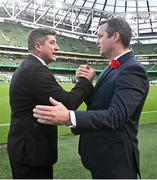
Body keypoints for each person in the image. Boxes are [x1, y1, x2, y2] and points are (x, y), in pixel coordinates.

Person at [33, 18, 149, 179]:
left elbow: (116, 116)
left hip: (116, 161)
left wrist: (69, 116)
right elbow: (101, 103)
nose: (96, 41)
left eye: (100, 36)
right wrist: (86, 82)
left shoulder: (132, 69)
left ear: (115, 37)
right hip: (103, 156)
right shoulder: (114, 66)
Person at [7, 28, 95, 179]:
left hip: (26, 148)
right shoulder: (35, 70)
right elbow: (67, 104)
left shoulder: (30, 67)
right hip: (31, 152)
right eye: (52, 43)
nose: (57, 47)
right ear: (38, 46)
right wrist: (85, 81)